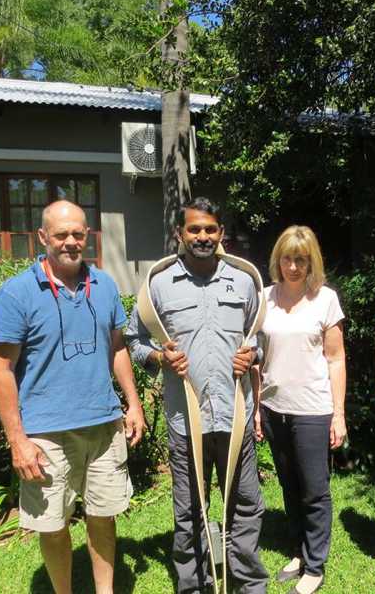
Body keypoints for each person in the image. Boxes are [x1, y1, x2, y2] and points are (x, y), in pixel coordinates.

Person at [0, 200, 145, 594]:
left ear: (88, 234)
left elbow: (118, 347)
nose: (71, 242)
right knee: (53, 525)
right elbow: (1, 369)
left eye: (78, 233)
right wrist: (17, 440)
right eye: (61, 235)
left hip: (104, 426)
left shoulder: (105, 284)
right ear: (43, 238)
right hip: (45, 433)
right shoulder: (17, 293)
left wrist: (133, 401)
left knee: (103, 517)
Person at [126, 197, 269, 594]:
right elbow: (134, 339)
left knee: (245, 505)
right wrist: (158, 356)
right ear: (180, 234)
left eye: (210, 229)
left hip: (234, 416)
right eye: (194, 229)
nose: (202, 236)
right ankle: (195, 586)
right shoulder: (158, 284)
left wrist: (252, 352)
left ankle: (248, 585)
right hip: (185, 421)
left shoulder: (242, 281)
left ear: (221, 234)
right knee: (189, 511)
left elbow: (260, 336)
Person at [256, 225, 347, 594]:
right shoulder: (264, 298)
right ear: (278, 259)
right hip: (273, 406)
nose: (293, 266)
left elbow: (336, 358)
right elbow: (256, 359)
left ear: (312, 262)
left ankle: (315, 564)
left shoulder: (325, 299)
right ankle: (299, 549)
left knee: (314, 488)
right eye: (288, 258)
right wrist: (257, 406)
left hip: (312, 409)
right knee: (289, 486)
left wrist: (338, 414)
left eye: (301, 259)